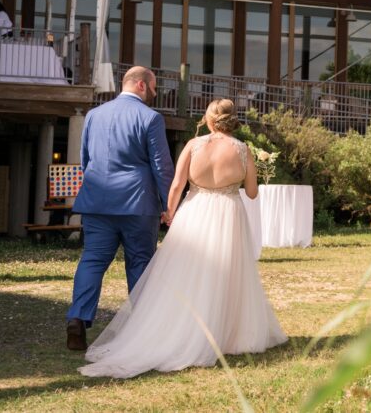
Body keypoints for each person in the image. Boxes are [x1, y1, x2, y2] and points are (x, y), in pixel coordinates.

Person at [79, 99, 287, 378]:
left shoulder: (193, 145)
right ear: (232, 119)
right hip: (227, 213)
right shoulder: (242, 149)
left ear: (210, 119)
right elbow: (251, 193)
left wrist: (169, 212)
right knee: (225, 273)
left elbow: (176, 184)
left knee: (185, 273)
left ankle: (180, 328)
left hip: (195, 211)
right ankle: (226, 334)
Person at [66, 66, 174, 351]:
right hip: (137, 203)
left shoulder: (94, 115)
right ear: (141, 85)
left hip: (97, 200)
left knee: (92, 260)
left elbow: (85, 158)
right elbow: (161, 166)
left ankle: (77, 318)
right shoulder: (151, 118)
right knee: (139, 262)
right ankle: (141, 328)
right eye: (153, 87)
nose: (155, 93)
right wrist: (170, 204)